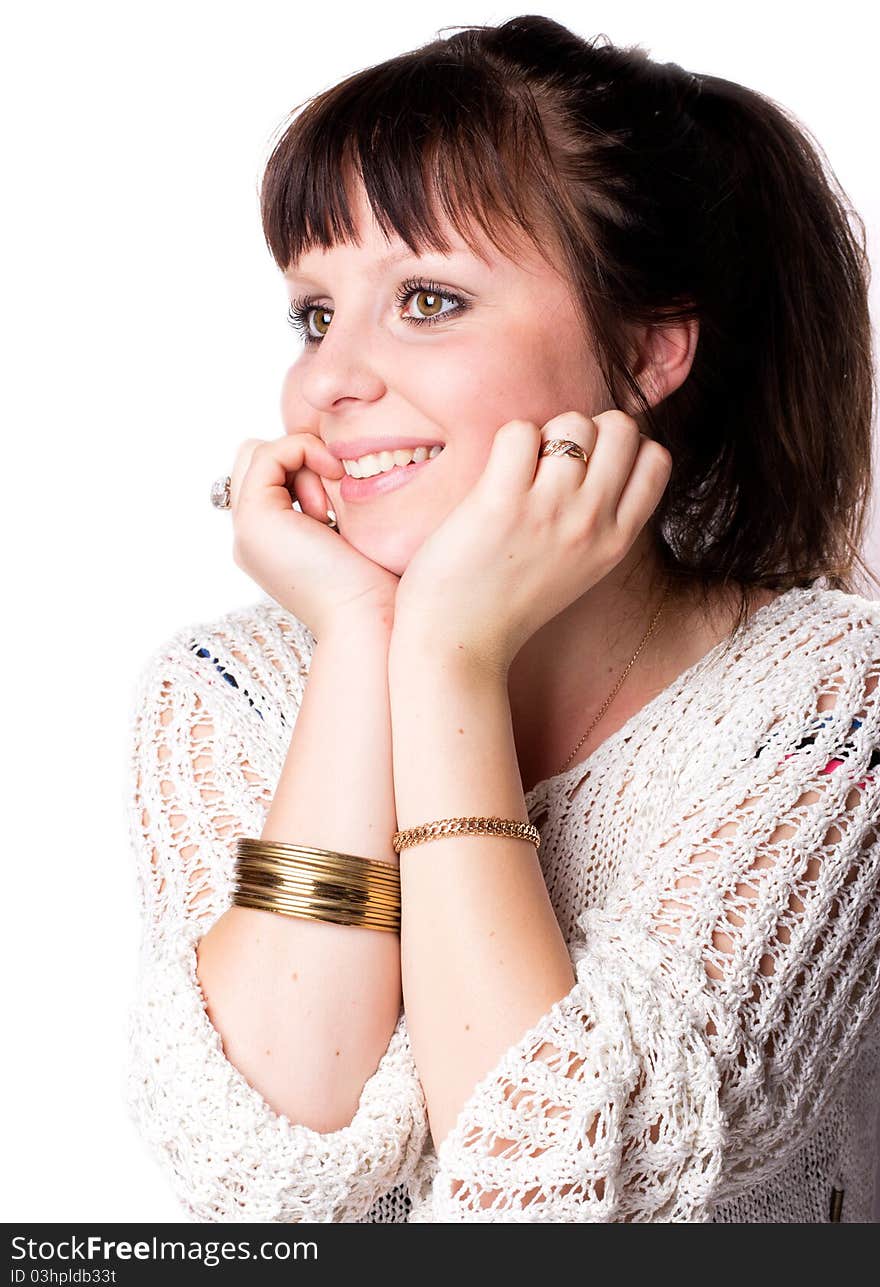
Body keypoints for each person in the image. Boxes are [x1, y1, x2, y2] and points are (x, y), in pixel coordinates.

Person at [124, 16, 880, 1222]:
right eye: (315, 313)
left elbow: (553, 1191)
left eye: (427, 299)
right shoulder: (230, 687)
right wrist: (370, 638)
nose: (327, 382)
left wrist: (448, 655)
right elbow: (264, 1163)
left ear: (645, 351)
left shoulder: (835, 708)